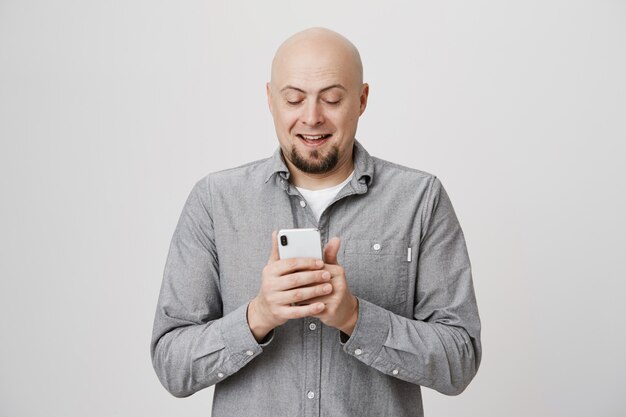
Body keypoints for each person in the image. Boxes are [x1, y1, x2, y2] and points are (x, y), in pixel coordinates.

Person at [150, 27, 481, 417]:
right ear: (270, 100)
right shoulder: (214, 201)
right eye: (294, 99)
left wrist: (355, 317)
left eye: (332, 99)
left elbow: (460, 361)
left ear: (361, 100)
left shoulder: (420, 199)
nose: (311, 117)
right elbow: (172, 366)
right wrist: (258, 316)